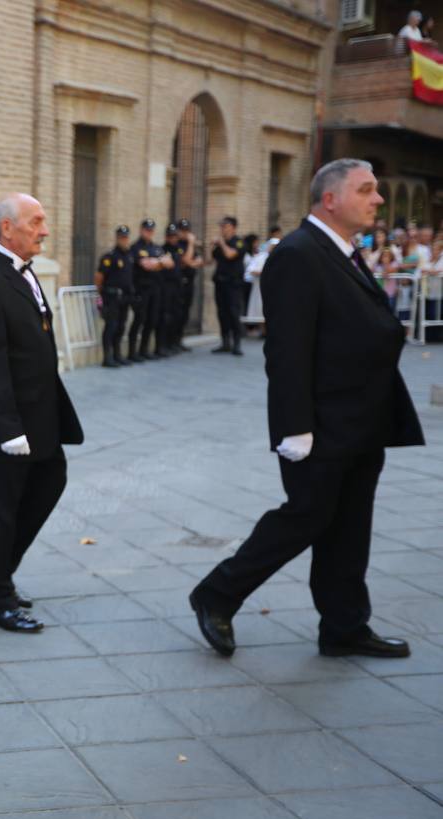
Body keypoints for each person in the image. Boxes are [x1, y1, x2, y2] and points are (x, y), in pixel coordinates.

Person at [188, 159, 423, 660]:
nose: (377, 200)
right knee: (306, 517)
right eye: (366, 190)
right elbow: (288, 350)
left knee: (350, 525)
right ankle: (217, 594)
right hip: (323, 425)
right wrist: (296, 429)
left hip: (364, 418)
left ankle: (344, 625)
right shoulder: (298, 253)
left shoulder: (341, 250)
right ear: (330, 199)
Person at [0, 193, 84, 634]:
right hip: (3, 427)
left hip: (40, 418)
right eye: (36, 221)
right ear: (7, 228)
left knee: (50, 481)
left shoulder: (22, 274)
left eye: (43, 221)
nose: (44, 230)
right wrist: (7, 429)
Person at [129, 218, 170, 361]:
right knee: (139, 320)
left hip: (155, 290)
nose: (149, 233)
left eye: (151, 230)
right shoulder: (136, 247)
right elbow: (146, 265)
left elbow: (169, 263)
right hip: (141, 290)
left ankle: (144, 350)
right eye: (147, 230)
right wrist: (159, 262)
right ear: (141, 230)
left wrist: (156, 262)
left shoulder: (156, 247)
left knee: (151, 320)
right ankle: (132, 353)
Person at [94, 225, 134, 368]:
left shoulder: (129, 256)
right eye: (122, 238)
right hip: (111, 297)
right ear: (117, 238)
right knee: (111, 327)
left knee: (121, 327)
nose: (124, 240)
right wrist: (101, 294)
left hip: (125, 298)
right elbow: (99, 277)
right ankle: (107, 358)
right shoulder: (109, 257)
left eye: (126, 237)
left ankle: (117, 355)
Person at [211, 215, 245, 355]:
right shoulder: (220, 245)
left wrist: (222, 243)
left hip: (233, 285)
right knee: (222, 313)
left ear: (233, 227)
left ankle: (237, 343)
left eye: (225, 226)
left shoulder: (239, 242)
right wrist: (211, 245)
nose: (222, 229)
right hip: (220, 283)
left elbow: (231, 255)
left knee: (233, 313)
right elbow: (210, 259)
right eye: (221, 226)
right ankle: (225, 342)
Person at [174, 218, 203, 351]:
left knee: (185, 313)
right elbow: (186, 260)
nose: (185, 233)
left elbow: (200, 262)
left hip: (190, 283)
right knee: (177, 313)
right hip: (179, 284)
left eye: (187, 231)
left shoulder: (189, 246)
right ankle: (173, 341)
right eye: (182, 230)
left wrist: (191, 261)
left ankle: (179, 340)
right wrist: (191, 243)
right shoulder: (178, 245)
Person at [160, 223, 185, 352]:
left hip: (177, 286)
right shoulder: (162, 250)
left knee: (178, 314)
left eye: (175, 236)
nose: (173, 239)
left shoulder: (179, 249)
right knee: (166, 316)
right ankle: (164, 344)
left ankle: (175, 342)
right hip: (166, 286)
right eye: (170, 236)